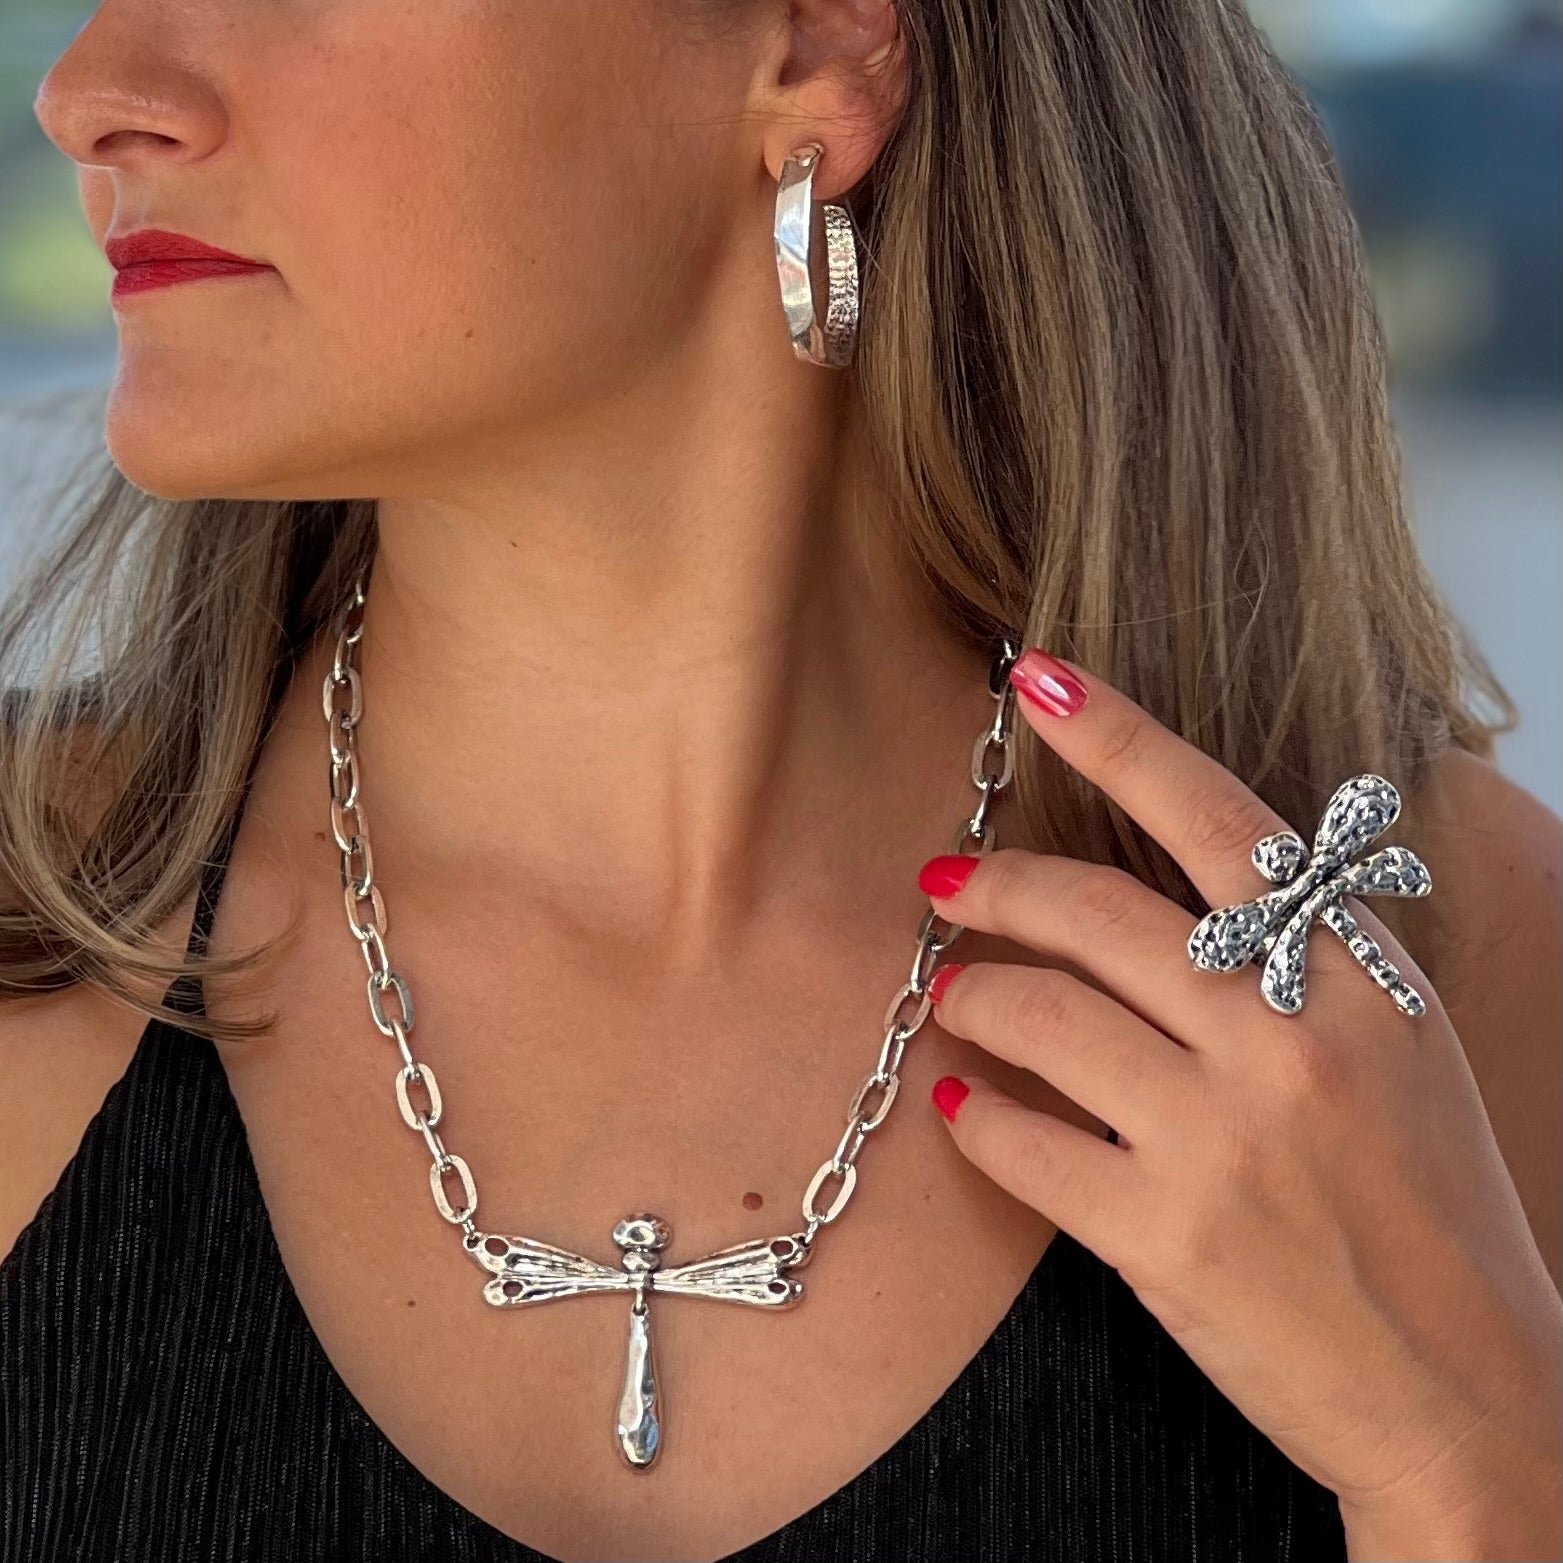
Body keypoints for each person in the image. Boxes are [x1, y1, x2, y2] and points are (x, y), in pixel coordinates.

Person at [1, 1, 1558, 1559]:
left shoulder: (1431, 977)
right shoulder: (29, 930)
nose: (88, 93)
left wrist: (1470, 1474)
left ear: (816, 49)